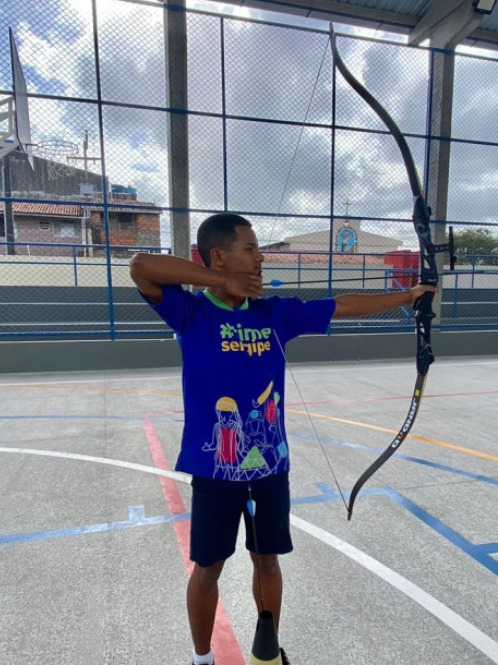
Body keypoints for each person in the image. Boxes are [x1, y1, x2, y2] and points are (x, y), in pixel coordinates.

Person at [129, 213, 437, 665]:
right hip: (215, 470)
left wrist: (408, 296)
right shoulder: (190, 311)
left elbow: (343, 305)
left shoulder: (274, 312)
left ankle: (266, 654)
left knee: (268, 560)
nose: (259, 258)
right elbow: (142, 266)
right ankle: (201, 659)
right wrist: (221, 283)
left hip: (271, 466)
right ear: (219, 256)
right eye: (250, 249)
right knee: (208, 568)